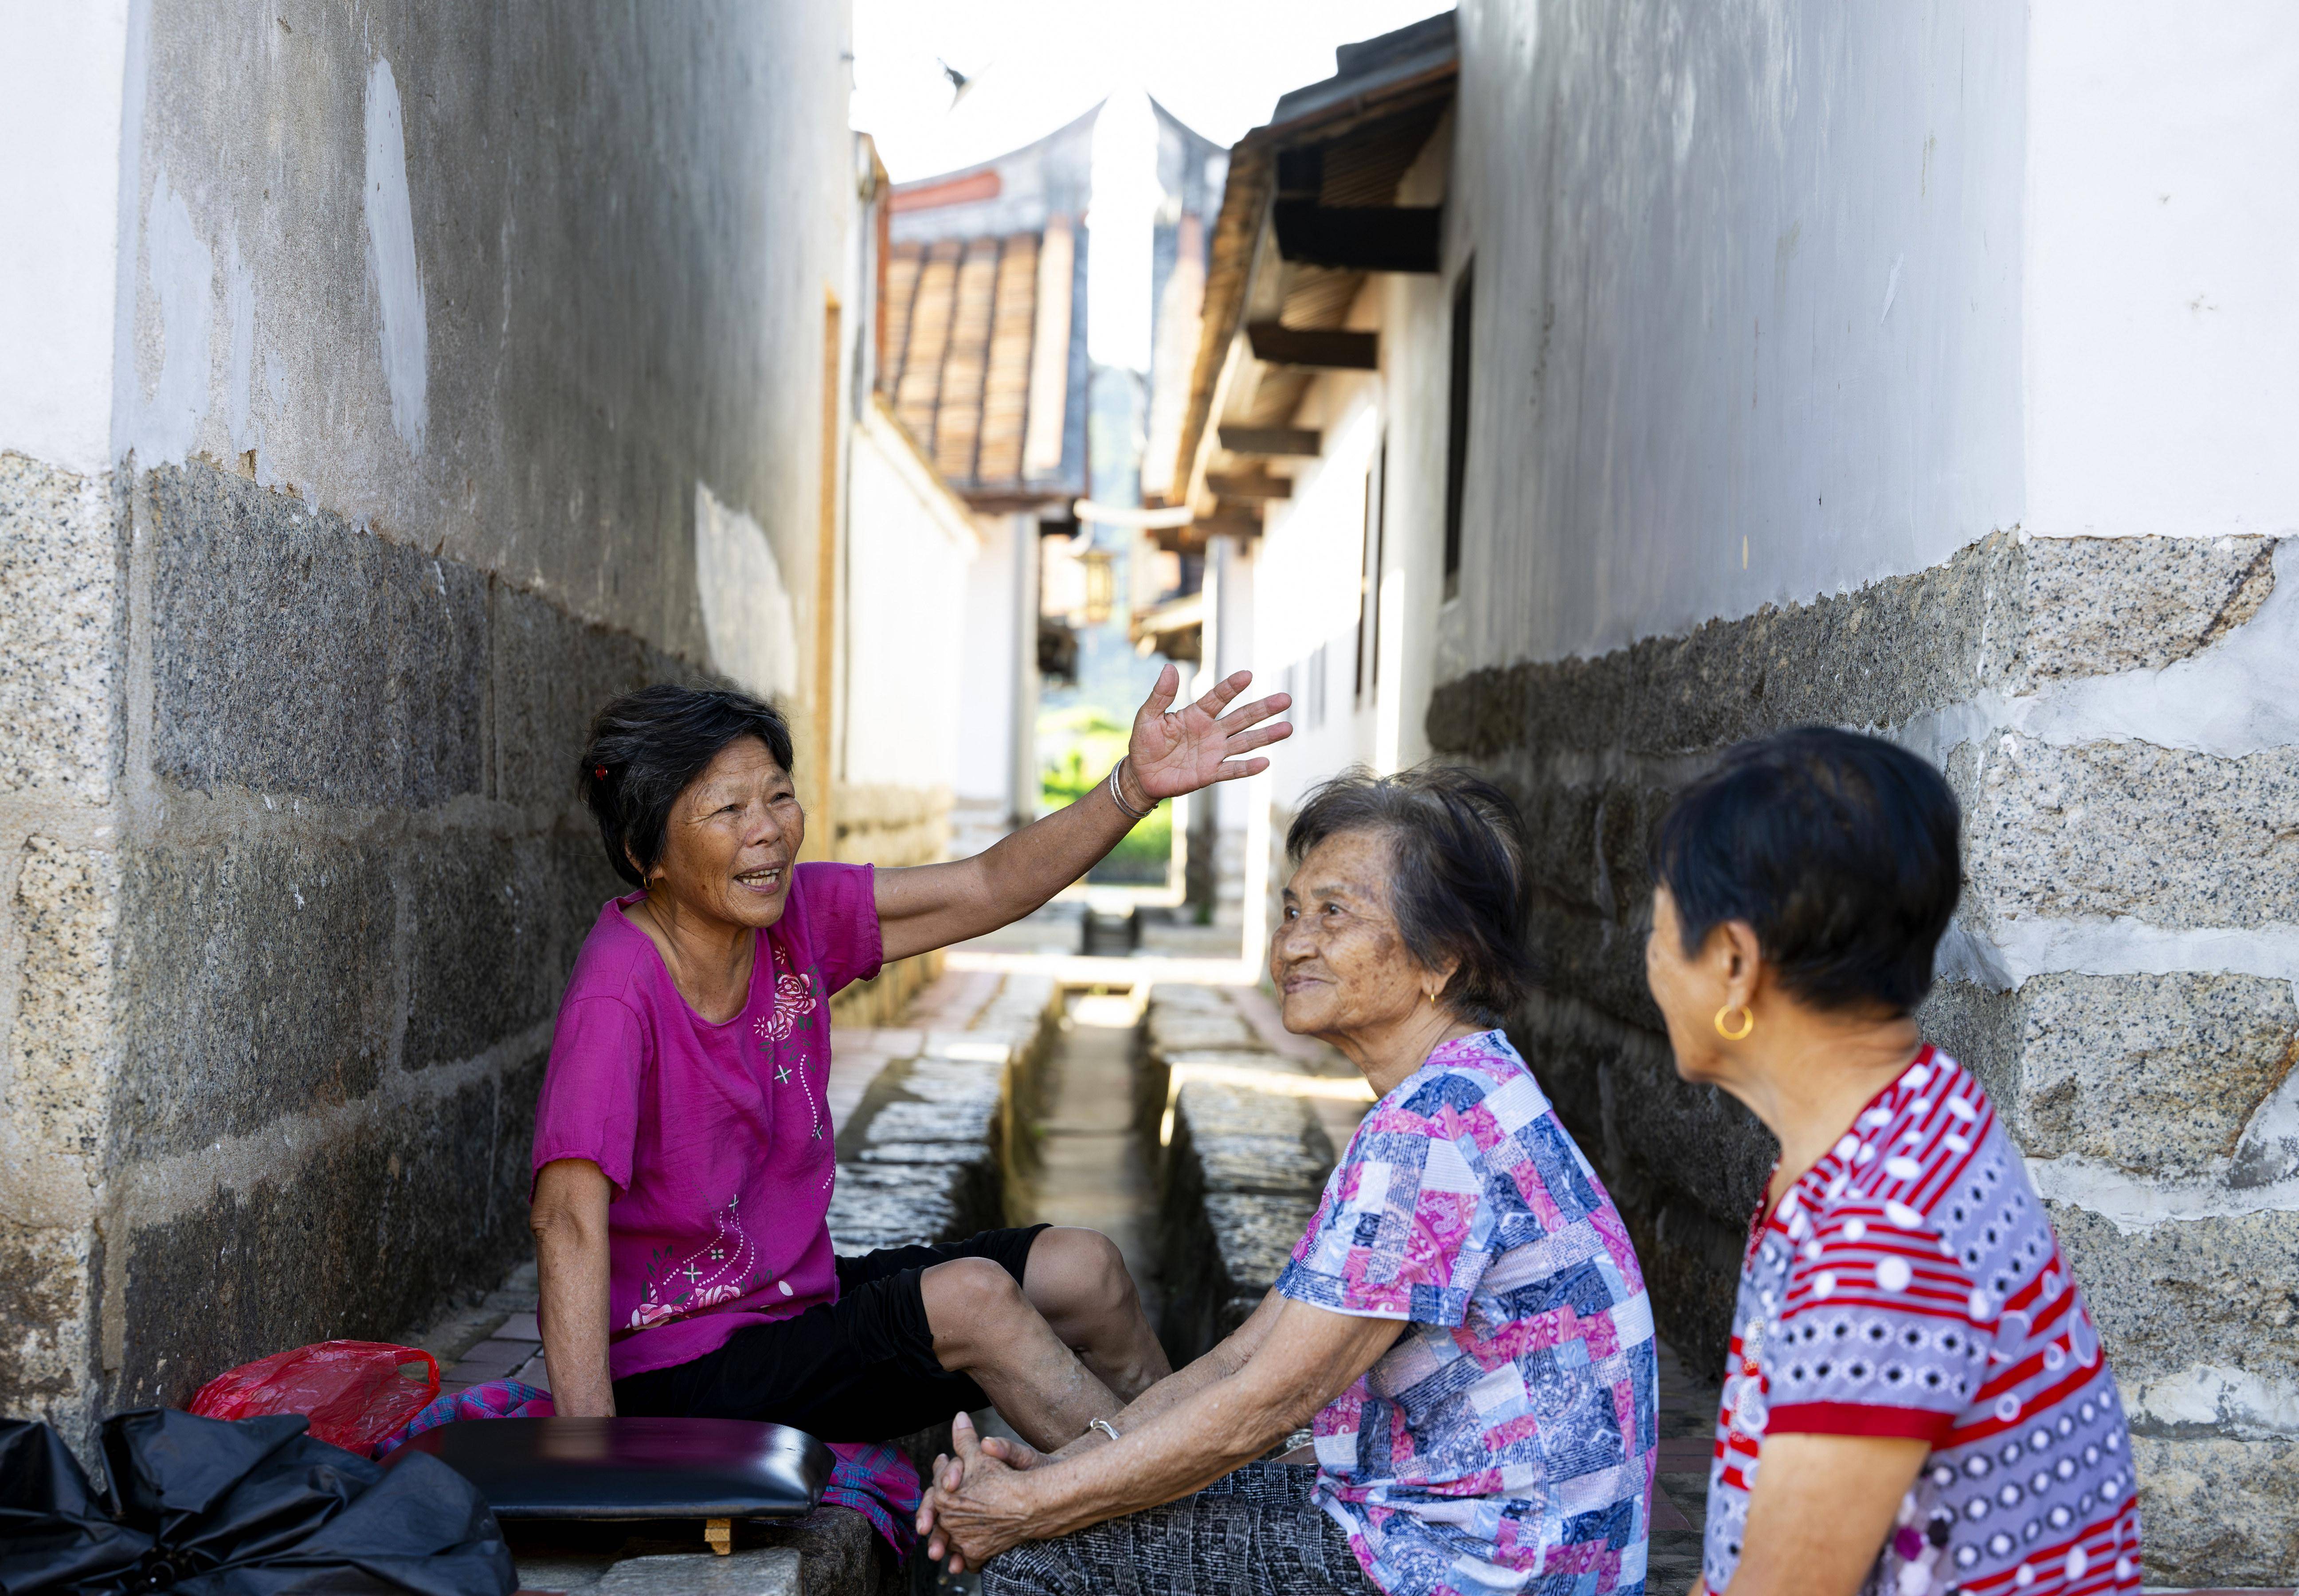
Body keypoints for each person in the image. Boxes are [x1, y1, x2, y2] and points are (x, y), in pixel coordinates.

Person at [918, 767, 1659, 1595]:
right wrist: (1068, 1468)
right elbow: (1246, 1355)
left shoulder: (1433, 1131)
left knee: (1036, 1564)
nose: (1294, 943)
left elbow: (1263, 1408)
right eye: (1292, 911)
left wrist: (1028, 1509)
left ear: (1443, 959)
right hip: (1468, 1532)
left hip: (1483, 1566)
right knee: (1079, 1517)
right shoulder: (1452, 1093)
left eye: (1334, 914)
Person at [527, 665, 1290, 1453]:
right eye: (726, 809)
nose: (768, 829)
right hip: (682, 1368)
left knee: (1084, 1270)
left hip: (792, 1307)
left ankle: (1186, 1478)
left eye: (779, 796)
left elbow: (987, 886)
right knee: (973, 1302)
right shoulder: (619, 992)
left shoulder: (793, 919)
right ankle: (1152, 1503)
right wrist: (594, 1457)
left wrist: (1131, 788)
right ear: (643, 851)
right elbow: (567, 1220)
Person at [1641, 728, 2140, 1595]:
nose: (1647, 964)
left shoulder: (1881, 1239)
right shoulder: (1916, 1109)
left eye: (1655, 933)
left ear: (1732, 965)